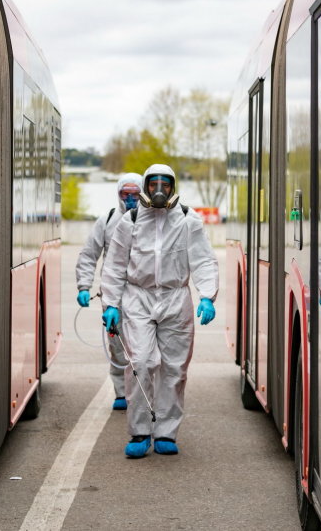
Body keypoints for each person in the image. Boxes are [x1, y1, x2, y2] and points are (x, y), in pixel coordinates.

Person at [100, 164, 219, 457]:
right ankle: (140, 431)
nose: (159, 190)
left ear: (173, 187)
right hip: (138, 298)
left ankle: (166, 432)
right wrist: (111, 303)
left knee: (174, 368)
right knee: (139, 361)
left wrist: (207, 295)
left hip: (176, 298)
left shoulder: (189, 221)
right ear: (145, 186)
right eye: (153, 184)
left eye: (165, 184)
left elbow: (203, 259)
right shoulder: (131, 221)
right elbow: (114, 265)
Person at [75, 172, 142, 410]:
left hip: (144, 295)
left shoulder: (150, 220)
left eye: (135, 194)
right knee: (117, 345)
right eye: (126, 194)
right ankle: (122, 392)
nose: (131, 199)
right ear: (118, 194)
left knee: (144, 346)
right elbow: (89, 255)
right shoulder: (108, 220)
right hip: (114, 296)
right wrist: (84, 285)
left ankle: (144, 390)